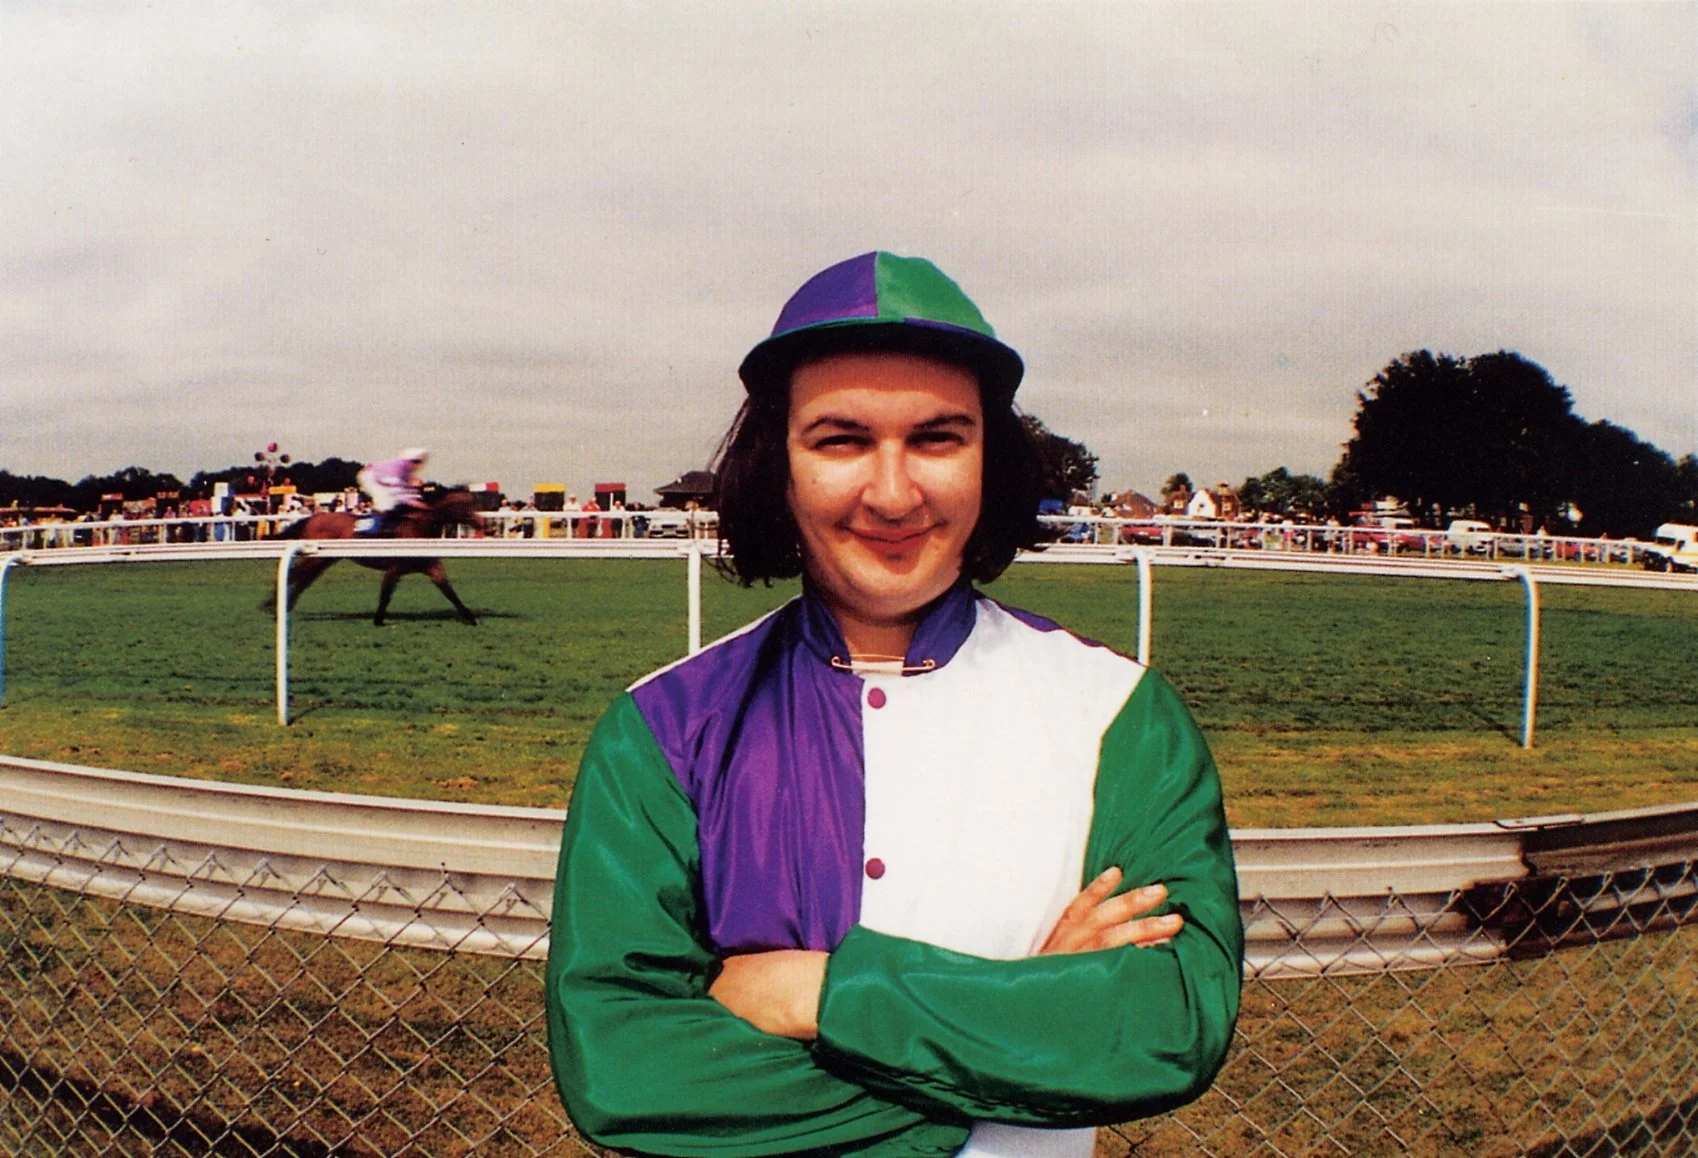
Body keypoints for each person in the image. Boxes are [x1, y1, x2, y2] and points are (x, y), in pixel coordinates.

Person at [546, 252, 1242, 1157]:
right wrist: (1024, 1025)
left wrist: (815, 997)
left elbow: (1165, 1023)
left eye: (938, 438)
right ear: (779, 467)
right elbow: (624, 1071)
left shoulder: (1124, 716)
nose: (892, 493)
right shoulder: (662, 730)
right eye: (840, 440)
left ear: (992, 459)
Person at [355, 447, 430, 534]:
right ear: (409, 461)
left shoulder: (406, 471)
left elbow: (407, 490)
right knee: (386, 502)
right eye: (416, 462)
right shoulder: (397, 468)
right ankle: (371, 528)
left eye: (420, 463)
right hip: (368, 477)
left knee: (397, 501)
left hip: (382, 479)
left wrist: (417, 500)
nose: (418, 466)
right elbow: (397, 492)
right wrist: (416, 503)